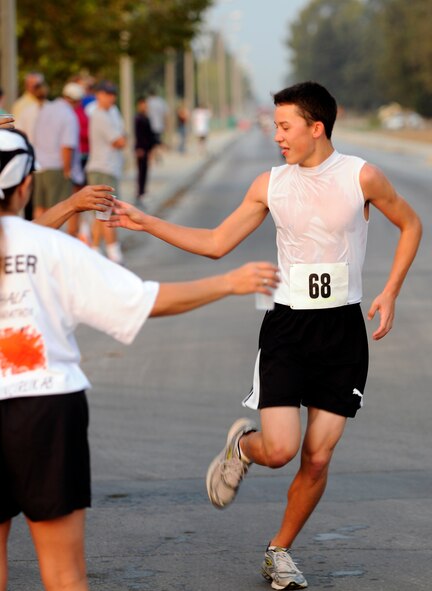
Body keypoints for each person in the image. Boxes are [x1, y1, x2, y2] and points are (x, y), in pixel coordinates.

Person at [108, 81, 422, 589]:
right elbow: (215, 243)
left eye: (284, 126)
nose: (276, 136)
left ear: (315, 128)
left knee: (318, 456)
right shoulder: (269, 184)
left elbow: (410, 223)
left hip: (342, 330)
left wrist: (390, 291)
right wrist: (145, 222)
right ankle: (242, 448)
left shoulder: (361, 176)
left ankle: (279, 550)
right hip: (287, 327)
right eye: (275, 126)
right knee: (279, 450)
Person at [0, 128, 279, 591]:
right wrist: (229, 282)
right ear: (27, 185)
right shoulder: (54, 249)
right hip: (45, 409)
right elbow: (144, 301)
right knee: (64, 574)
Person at [86, 81, 125, 264]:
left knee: (101, 214)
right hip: (102, 168)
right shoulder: (100, 115)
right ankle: (114, 253)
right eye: (106, 93)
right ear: (98, 95)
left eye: (112, 93)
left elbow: (122, 137)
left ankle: (94, 250)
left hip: (110, 168)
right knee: (107, 213)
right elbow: (119, 141)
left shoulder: (113, 112)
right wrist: (122, 138)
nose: (110, 97)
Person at [32, 82, 84, 219]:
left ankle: (38, 238)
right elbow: (67, 146)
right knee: (57, 211)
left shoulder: (46, 108)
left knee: (39, 208)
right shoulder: (68, 116)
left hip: (39, 166)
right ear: (77, 101)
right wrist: (67, 171)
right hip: (57, 168)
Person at [134, 96, 156, 205]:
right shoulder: (138, 118)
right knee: (141, 171)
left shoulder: (146, 117)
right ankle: (140, 192)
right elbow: (138, 135)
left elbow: (150, 134)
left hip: (147, 148)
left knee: (145, 170)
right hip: (141, 148)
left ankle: (143, 191)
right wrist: (138, 148)